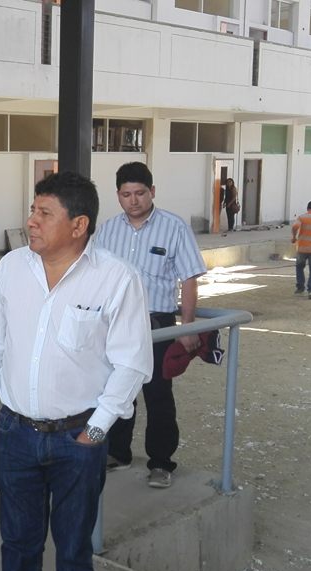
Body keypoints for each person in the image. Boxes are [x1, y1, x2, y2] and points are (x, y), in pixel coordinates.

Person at [0, 172, 153, 571]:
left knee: (73, 546)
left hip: (78, 438)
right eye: (33, 210)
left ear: (78, 225)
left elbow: (132, 363)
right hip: (16, 433)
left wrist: (97, 429)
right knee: (18, 543)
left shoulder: (115, 278)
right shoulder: (12, 268)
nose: (31, 221)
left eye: (44, 213)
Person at [92, 161, 207, 490]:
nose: (134, 200)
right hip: (115, 323)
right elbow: (96, 277)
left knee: (157, 393)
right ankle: (118, 452)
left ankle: (160, 462)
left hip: (156, 324)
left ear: (152, 191)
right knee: (116, 390)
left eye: (140, 193)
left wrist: (187, 327)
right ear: (118, 195)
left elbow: (189, 279)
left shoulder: (174, 227)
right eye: (126, 194)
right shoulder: (108, 231)